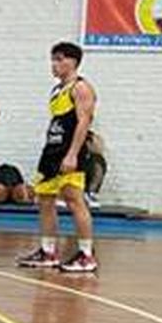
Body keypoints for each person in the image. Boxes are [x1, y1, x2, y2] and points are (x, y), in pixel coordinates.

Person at [17, 42, 98, 275]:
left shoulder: (81, 88)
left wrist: (72, 153)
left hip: (69, 152)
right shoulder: (56, 90)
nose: (54, 64)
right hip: (52, 151)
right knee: (44, 199)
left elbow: (84, 121)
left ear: (73, 61)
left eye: (59, 59)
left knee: (74, 199)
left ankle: (86, 255)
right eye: (52, 59)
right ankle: (48, 251)